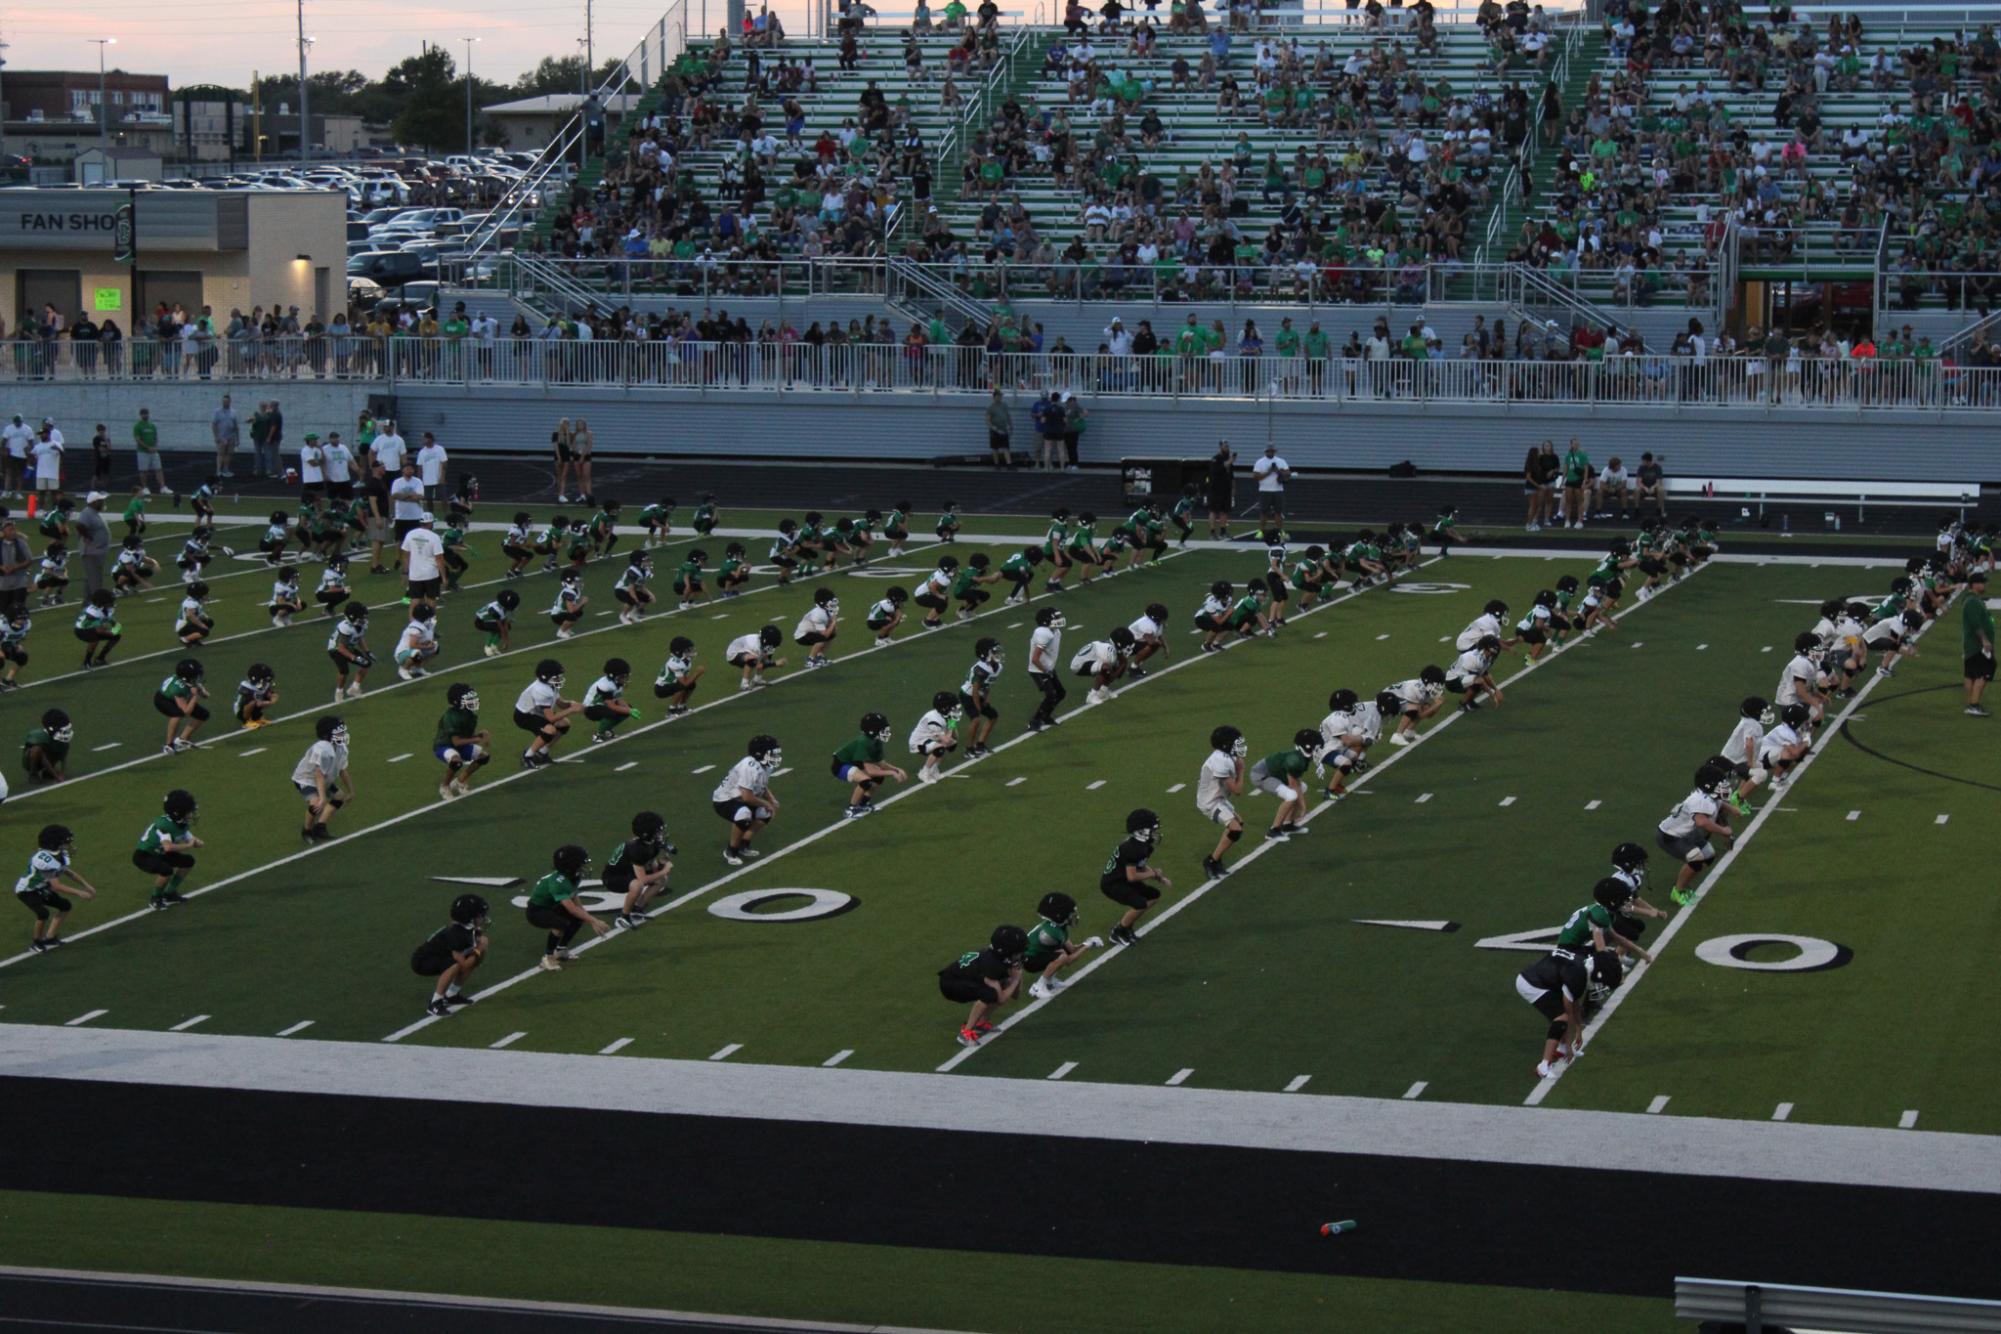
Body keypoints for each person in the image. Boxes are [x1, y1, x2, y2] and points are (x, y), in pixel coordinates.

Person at [1518, 944, 1620, 1079]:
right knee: (1562, 1018)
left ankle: (1561, 1049)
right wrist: (1569, 1044)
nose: (1602, 987)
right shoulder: (1579, 974)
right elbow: (1569, 1010)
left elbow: (1574, 1002)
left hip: (1542, 979)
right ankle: (1543, 1066)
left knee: (1564, 1015)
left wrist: (1578, 1030)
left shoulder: (1583, 967)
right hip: (1531, 983)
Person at [1657, 760, 1736, 905]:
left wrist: (1732, 813)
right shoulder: (1700, 800)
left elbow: (1720, 808)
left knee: (1709, 855)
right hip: (1670, 835)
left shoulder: (1709, 797)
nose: (1724, 787)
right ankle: (1678, 891)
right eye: (1720, 784)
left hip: (1686, 832)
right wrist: (1724, 830)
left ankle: (1685, 880)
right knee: (1696, 858)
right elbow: (1702, 822)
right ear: (1709, 785)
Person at [940, 924, 1026, 1047]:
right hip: (950, 985)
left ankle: (980, 1024)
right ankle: (965, 1033)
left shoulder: (998, 957)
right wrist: (1016, 979)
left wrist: (1014, 979)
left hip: (960, 978)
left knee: (999, 987)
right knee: (991, 993)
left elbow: (1015, 995)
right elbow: (1001, 999)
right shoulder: (994, 965)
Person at [15, 823, 97, 953]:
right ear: (54, 844)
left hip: (42, 887)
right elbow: (57, 886)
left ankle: (50, 937)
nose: (68, 845)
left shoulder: (58, 855)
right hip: (28, 890)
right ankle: (36, 942)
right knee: (43, 913)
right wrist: (79, 892)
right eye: (64, 843)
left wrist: (87, 885)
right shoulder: (44, 860)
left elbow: (69, 873)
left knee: (65, 906)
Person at [525, 844, 607, 972]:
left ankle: (561, 950)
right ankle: (548, 957)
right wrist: (594, 921)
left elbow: (576, 902)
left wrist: (588, 918)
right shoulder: (559, 882)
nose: (583, 866)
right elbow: (571, 909)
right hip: (536, 910)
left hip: (551, 906)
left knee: (578, 918)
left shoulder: (573, 877)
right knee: (559, 924)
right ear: (570, 866)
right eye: (580, 863)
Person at [1100, 808, 1170, 946]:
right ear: (1141, 831)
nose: (1155, 833)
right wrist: (1153, 873)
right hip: (1113, 884)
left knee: (1153, 895)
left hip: (1122, 879)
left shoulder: (1142, 846)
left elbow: (1141, 866)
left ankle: (1126, 927)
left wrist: (1158, 877)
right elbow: (1132, 876)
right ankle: (1119, 931)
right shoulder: (1134, 848)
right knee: (1140, 904)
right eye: (1152, 829)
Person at [412, 893, 489, 1016]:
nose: (483, 918)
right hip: (422, 961)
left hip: (439, 955)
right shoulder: (457, 935)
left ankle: (451, 995)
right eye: (479, 915)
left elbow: (472, 960)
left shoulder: (467, 930)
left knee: (473, 957)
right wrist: (479, 949)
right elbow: (463, 965)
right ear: (469, 917)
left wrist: (479, 952)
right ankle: (435, 1003)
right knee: (454, 965)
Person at [712, 734, 783, 866]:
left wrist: (772, 800)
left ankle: (743, 845)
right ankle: (731, 851)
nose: (775, 756)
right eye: (771, 753)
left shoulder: (765, 766)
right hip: (725, 800)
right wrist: (766, 803)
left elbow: (761, 786)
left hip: (740, 798)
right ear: (760, 754)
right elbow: (747, 797)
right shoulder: (749, 766)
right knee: (744, 814)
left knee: (766, 812)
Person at [133, 788, 202, 910]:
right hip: (144, 855)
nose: (191, 814)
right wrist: (189, 845)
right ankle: (155, 898)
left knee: (188, 862)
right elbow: (168, 847)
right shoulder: (164, 825)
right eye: (189, 811)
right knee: (166, 870)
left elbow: (189, 838)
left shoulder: (180, 823)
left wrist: (196, 842)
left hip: (160, 852)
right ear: (178, 812)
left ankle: (169, 893)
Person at [605, 811, 675, 930]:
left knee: (661, 880)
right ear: (648, 833)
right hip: (613, 877)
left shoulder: (648, 843)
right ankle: (624, 916)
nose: (660, 834)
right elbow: (642, 879)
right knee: (638, 885)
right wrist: (664, 870)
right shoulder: (636, 848)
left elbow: (650, 862)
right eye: (657, 831)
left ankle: (637, 908)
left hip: (628, 871)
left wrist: (659, 866)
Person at [832, 711, 908, 818]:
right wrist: (892, 773)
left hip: (856, 762)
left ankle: (863, 803)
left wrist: (897, 770)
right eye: (882, 730)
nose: (886, 732)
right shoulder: (864, 742)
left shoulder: (876, 741)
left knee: (879, 777)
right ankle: (851, 809)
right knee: (866, 780)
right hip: (841, 765)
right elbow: (870, 771)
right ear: (872, 731)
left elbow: (881, 763)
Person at [1024, 892, 1097, 1000]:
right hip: (1028, 959)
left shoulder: (1058, 928)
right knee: (1061, 956)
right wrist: (1088, 945)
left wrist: (1086, 942)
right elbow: (1068, 960)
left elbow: (1071, 949)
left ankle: (1050, 981)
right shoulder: (1051, 934)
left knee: (1063, 953)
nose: (1073, 915)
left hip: (1036, 954)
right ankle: (1038, 987)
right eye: (1070, 913)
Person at [1197, 725, 1247, 878]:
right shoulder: (1221, 761)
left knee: (1239, 824)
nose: (1239, 745)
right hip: (1210, 802)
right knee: (1235, 829)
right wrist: (1241, 770)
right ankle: (1211, 861)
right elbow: (1237, 790)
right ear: (1227, 744)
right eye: (1236, 742)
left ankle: (1216, 859)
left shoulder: (1224, 757)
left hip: (1217, 798)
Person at [292, 715, 354, 841]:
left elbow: (342, 770)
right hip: (306, 779)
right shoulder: (323, 749)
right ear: (327, 735)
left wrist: (351, 791)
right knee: (316, 804)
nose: (343, 733)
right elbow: (318, 774)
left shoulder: (341, 748)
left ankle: (320, 826)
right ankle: (307, 831)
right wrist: (322, 798)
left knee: (339, 797)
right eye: (339, 731)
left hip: (324, 778)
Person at [515, 658, 580, 768]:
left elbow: (560, 703)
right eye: (556, 677)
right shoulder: (541, 690)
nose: (559, 678)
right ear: (545, 677)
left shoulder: (550, 685)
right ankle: (527, 756)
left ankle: (542, 753)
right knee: (550, 730)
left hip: (537, 713)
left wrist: (571, 704)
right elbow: (551, 718)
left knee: (564, 723)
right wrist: (571, 710)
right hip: (525, 716)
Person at [155, 657, 211, 753]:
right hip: (164, 700)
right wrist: (195, 695)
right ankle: (168, 745)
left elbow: (207, 695)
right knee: (177, 715)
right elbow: (186, 711)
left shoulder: (187, 681)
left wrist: (200, 690)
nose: (198, 677)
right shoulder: (178, 688)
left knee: (203, 714)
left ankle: (182, 739)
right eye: (195, 676)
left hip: (179, 697)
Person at [959, 637, 1004, 758]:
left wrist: (987, 697)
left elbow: (988, 684)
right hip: (967, 695)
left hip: (979, 694)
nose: (997, 654)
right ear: (985, 654)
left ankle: (980, 745)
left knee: (993, 716)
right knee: (976, 720)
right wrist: (978, 706)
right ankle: (968, 749)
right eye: (994, 652)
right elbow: (974, 690)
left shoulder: (997, 667)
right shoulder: (980, 669)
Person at [582, 658, 638, 744]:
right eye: (622, 676)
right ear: (613, 676)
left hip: (602, 705)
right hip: (590, 708)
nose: (625, 678)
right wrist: (629, 711)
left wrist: (628, 708)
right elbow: (612, 706)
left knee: (624, 710)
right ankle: (598, 734)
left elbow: (618, 699)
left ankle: (606, 730)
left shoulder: (617, 683)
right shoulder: (605, 685)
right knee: (612, 713)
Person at [327, 600, 373, 701]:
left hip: (348, 647)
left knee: (366, 664)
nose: (364, 618)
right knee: (344, 671)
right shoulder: (346, 628)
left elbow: (360, 638)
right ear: (353, 617)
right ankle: (339, 692)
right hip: (335, 650)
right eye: (361, 616)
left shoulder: (360, 625)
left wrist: (367, 651)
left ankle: (354, 688)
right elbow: (341, 648)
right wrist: (354, 657)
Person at [1964, 568, 1994, 716]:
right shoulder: (1973, 602)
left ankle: (1970, 703)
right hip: (1978, 646)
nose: (1985, 585)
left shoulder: (1972, 600)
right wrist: (1985, 640)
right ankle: (1973, 705)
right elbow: (1976, 624)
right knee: (1982, 673)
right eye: (1983, 583)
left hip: (1972, 645)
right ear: (1975, 585)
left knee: (1971, 675)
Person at [400, 511, 445, 610]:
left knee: (415, 600)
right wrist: (444, 577)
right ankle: (430, 622)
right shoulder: (434, 537)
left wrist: (405, 572)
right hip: (431, 574)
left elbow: (405, 555)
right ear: (430, 523)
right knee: (431, 600)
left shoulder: (410, 534)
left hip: (415, 574)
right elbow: (439, 559)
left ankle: (412, 622)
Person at [653, 636, 703, 714]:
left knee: (692, 684)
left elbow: (685, 679)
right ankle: (671, 710)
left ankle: (681, 707)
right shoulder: (675, 663)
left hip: (673, 683)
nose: (691, 651)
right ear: (679, 652)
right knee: (682, 686)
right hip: (661, 688)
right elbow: (684, 683)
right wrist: (697, 673)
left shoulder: (686, 660)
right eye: (687, 650)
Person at [22, 708, 73, 783]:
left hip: (48, 756)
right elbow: (42, 758)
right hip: (30, 760)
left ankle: (47, 772)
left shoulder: (61, 740)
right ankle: (33, 774)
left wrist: (62, 774)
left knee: (59, 747)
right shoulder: (39, 736)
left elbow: (63, 757)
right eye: (63, 730)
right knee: (36, 749)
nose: (66, 733)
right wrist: (56, 776)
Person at [795, 587, 840, 669]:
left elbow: (833, 632)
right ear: (822, 603)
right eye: (830, 602)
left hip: (813, 631)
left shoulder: (826, 611)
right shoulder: (818, 614)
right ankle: (810, 660)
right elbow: (824, 635)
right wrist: (833, 622)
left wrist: (833, 622)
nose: (832, 604)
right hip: (802, 635)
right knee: (822, 638)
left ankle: (819, 657)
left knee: (832, 634)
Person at [393, 603, 440, 681]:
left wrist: (429, 643)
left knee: (435, 648)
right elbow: (412, 645)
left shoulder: (426, 625)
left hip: (414, 649)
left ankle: (417, 668)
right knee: (416, 653)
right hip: (403, 652)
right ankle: (403, 669)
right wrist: (427, 646)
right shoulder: (415, 627)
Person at [131, 409, 167, 497]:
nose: (145, 416)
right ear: (140, 415)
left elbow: (156, 437)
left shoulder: (152, 425)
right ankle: (145, 487)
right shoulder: (137, 426)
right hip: (143, 452)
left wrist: (155, 447)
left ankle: (162, 487)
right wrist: (147, 447)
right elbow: (138, 439)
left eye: (146, 414)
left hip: (154, 452)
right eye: (143, 414)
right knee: (144, 470)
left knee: (158, 468)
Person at [1205, 440, 1236, 538]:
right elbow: (1216, 471)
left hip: (1226, 489)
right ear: (1220, 447)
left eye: (1228, 446)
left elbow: (1231, 475)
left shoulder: (1228, 459)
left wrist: (1233, 487)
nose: (1227, 448)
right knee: (1213, 510)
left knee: (1225, 510)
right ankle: (1212, 532)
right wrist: (1229, 462)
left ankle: (1223, 531)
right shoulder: (1216, 458)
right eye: (1225, 446)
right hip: (1215, 489)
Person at [234, 662, 279, 730]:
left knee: (263, 697)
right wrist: (270, 702)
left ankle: (257, 718)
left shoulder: (261, 685)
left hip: (255, 703)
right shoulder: (246, 687)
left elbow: (269, 694)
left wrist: (273, 696)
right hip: (241, 710)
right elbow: (256, 703)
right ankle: (246, 722)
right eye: (263, 680)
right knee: (251, 702)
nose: (265, 682)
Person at [1251, 444, 1290, 520]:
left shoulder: (1281, 461)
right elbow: (1255, 476)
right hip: (1264, 490)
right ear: (1265, 452)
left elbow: (1288, 474)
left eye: (1272, 451)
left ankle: (1279, 530)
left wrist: (1278, 471)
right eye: (1268, 451)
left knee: (1278, 512)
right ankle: (1262, 530)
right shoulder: (1260, 462)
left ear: (1274, 452)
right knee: (1263, 512)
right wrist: (1268, 472)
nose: (1270, 453)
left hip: (1278, 490)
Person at [415, 432, 448, 508]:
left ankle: (447, 515)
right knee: (429, 499)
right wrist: (419, 480)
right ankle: (431, 516)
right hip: (427, 480)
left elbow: (444, 464)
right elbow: (419, 467)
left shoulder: (440, 449)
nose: (423, 440)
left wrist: (442, 477)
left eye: (425, 438)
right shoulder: (422, 452)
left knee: (443, 498)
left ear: (430, 439)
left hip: (438, 479)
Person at [211, 395, 240, 478]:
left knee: (229, 454)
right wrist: (216, 437)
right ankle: (218, 470)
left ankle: (225, 470)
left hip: (231, 436)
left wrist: (238, 439)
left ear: (230, 402)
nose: (225, 403)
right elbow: (214, 425)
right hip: (221, 436)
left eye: (226, 401)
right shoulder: (217, 412)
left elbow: (236, 426)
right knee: (220, 454)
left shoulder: (233, 412)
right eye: (223, 401)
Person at [985, 388, 1014, 466]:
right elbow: (988, 420)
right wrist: (993, 427)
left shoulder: (1004, 405)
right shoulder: (991, 407)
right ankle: (996, 463)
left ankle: (1009, 464)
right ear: (994, 397)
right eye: (999, 396)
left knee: (1006, 447)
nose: (1000, 397)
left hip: (1004, 429)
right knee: (995, 448)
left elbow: (1008, 416)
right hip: (995, 430)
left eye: (1001, 396)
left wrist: (1010, 425)